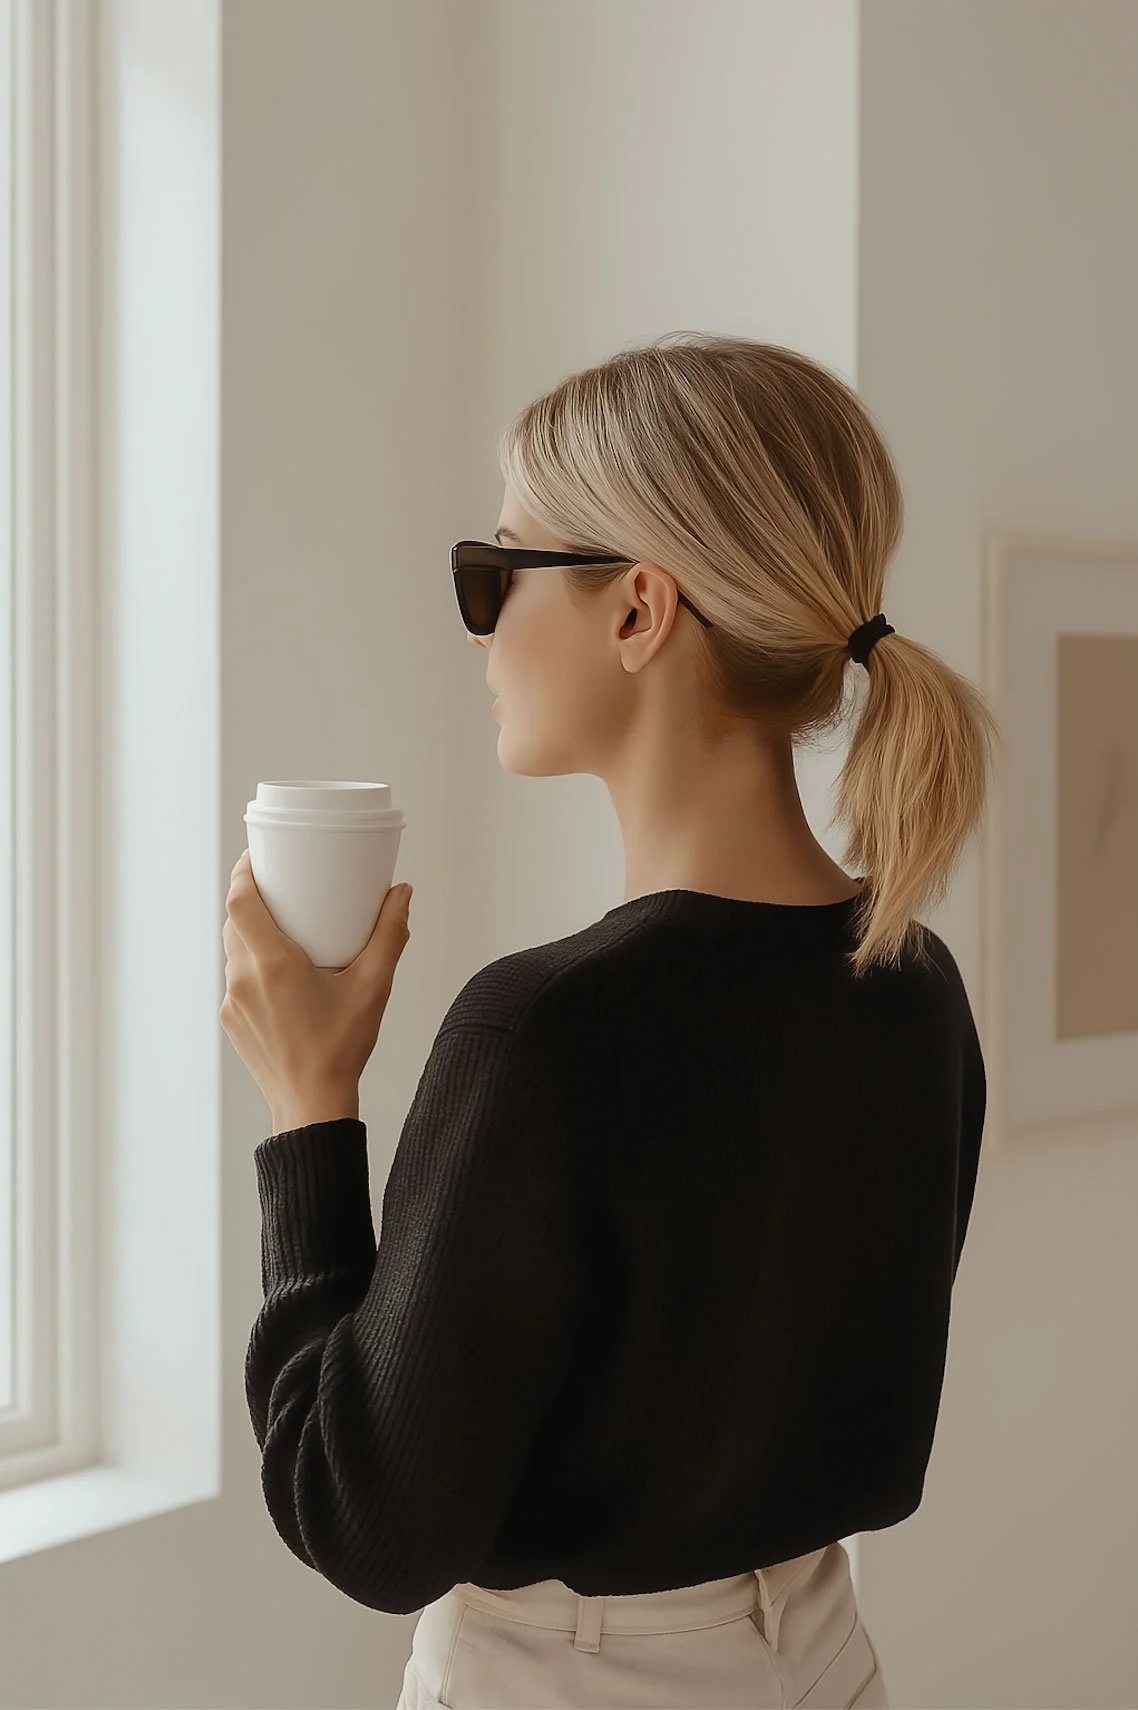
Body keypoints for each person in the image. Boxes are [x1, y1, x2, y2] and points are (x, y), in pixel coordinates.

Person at [244, 334, 998, 1710]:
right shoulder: (916, 984)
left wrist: (309, 1100)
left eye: (497, 571)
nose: (478, 625)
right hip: (825, 1661)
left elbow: (362, 1517)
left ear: (638, 611)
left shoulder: (543, 1031)